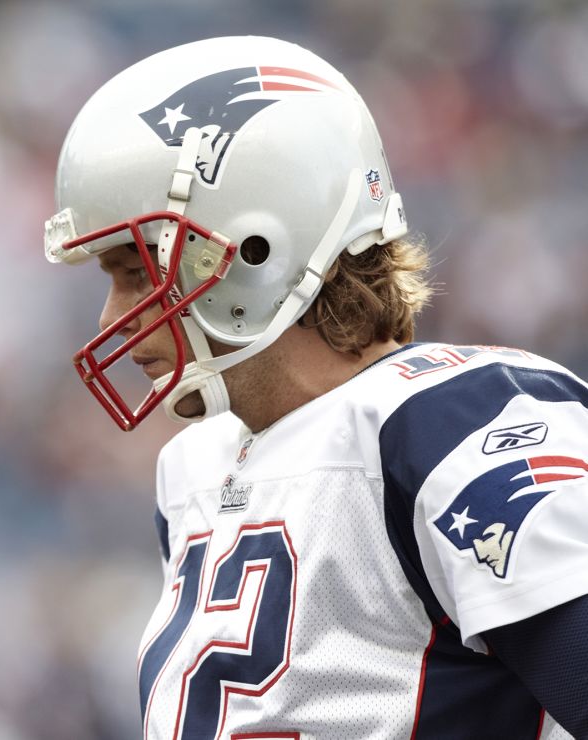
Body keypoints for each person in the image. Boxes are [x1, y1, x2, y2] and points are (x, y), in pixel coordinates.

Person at [45, 36, 588, 738]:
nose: (112, 317)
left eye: (135, 271)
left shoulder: (459, 424)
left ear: (254, 249)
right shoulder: (195, 468)